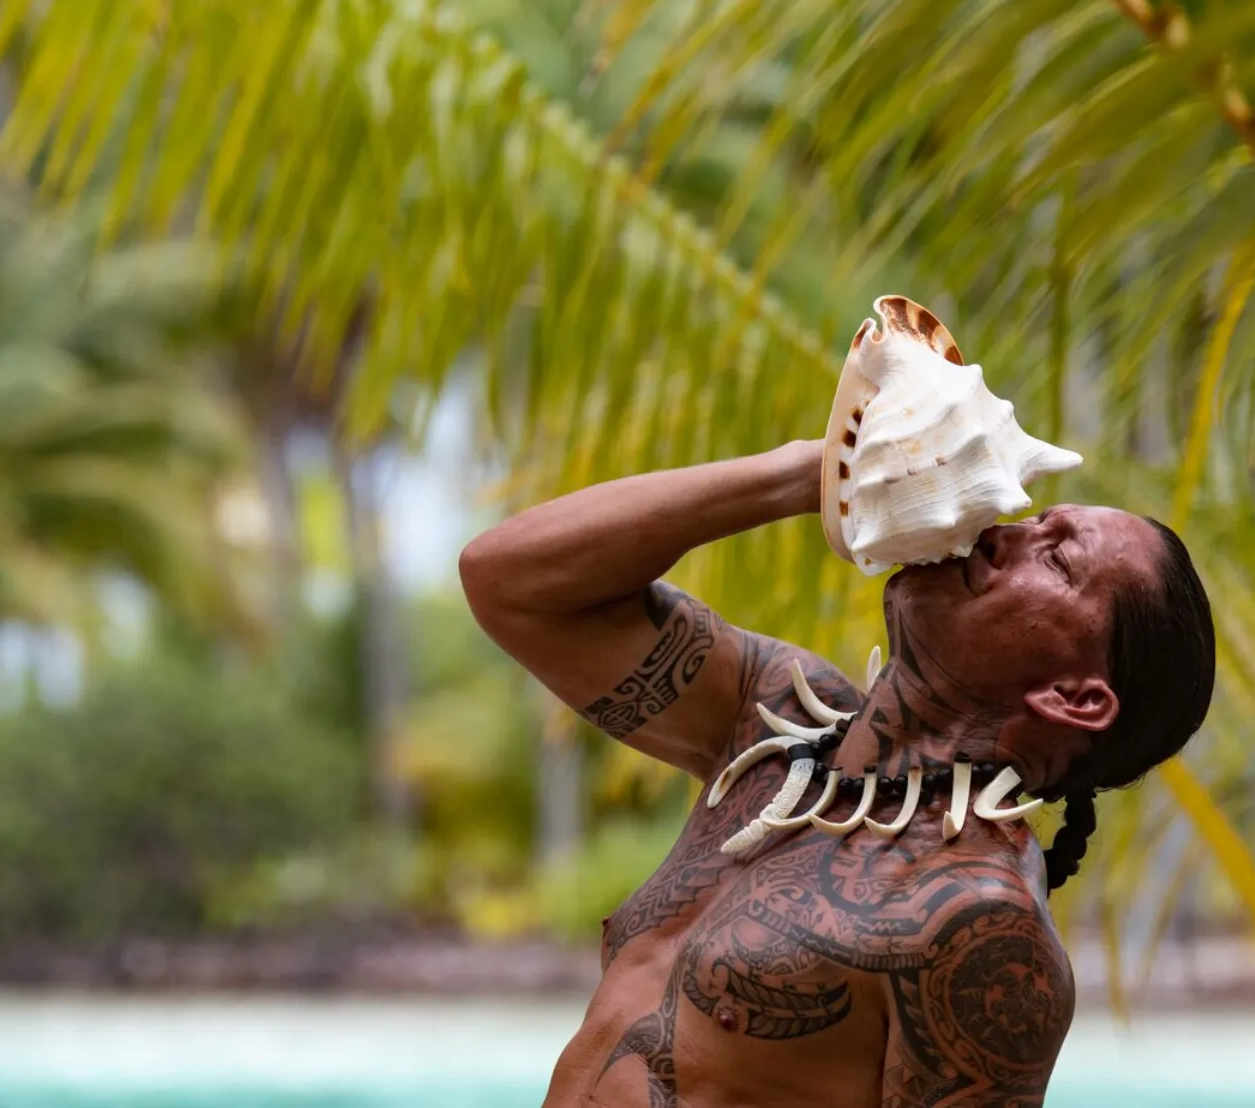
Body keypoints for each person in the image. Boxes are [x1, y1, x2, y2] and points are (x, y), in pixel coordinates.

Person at [459, 440, 1215, 1107]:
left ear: (1073, 698)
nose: (995, 534)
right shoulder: (771, 722)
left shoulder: (977, 917)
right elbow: (506, 579)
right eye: (1028, 520)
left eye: (1054, 559)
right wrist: (817, 472)